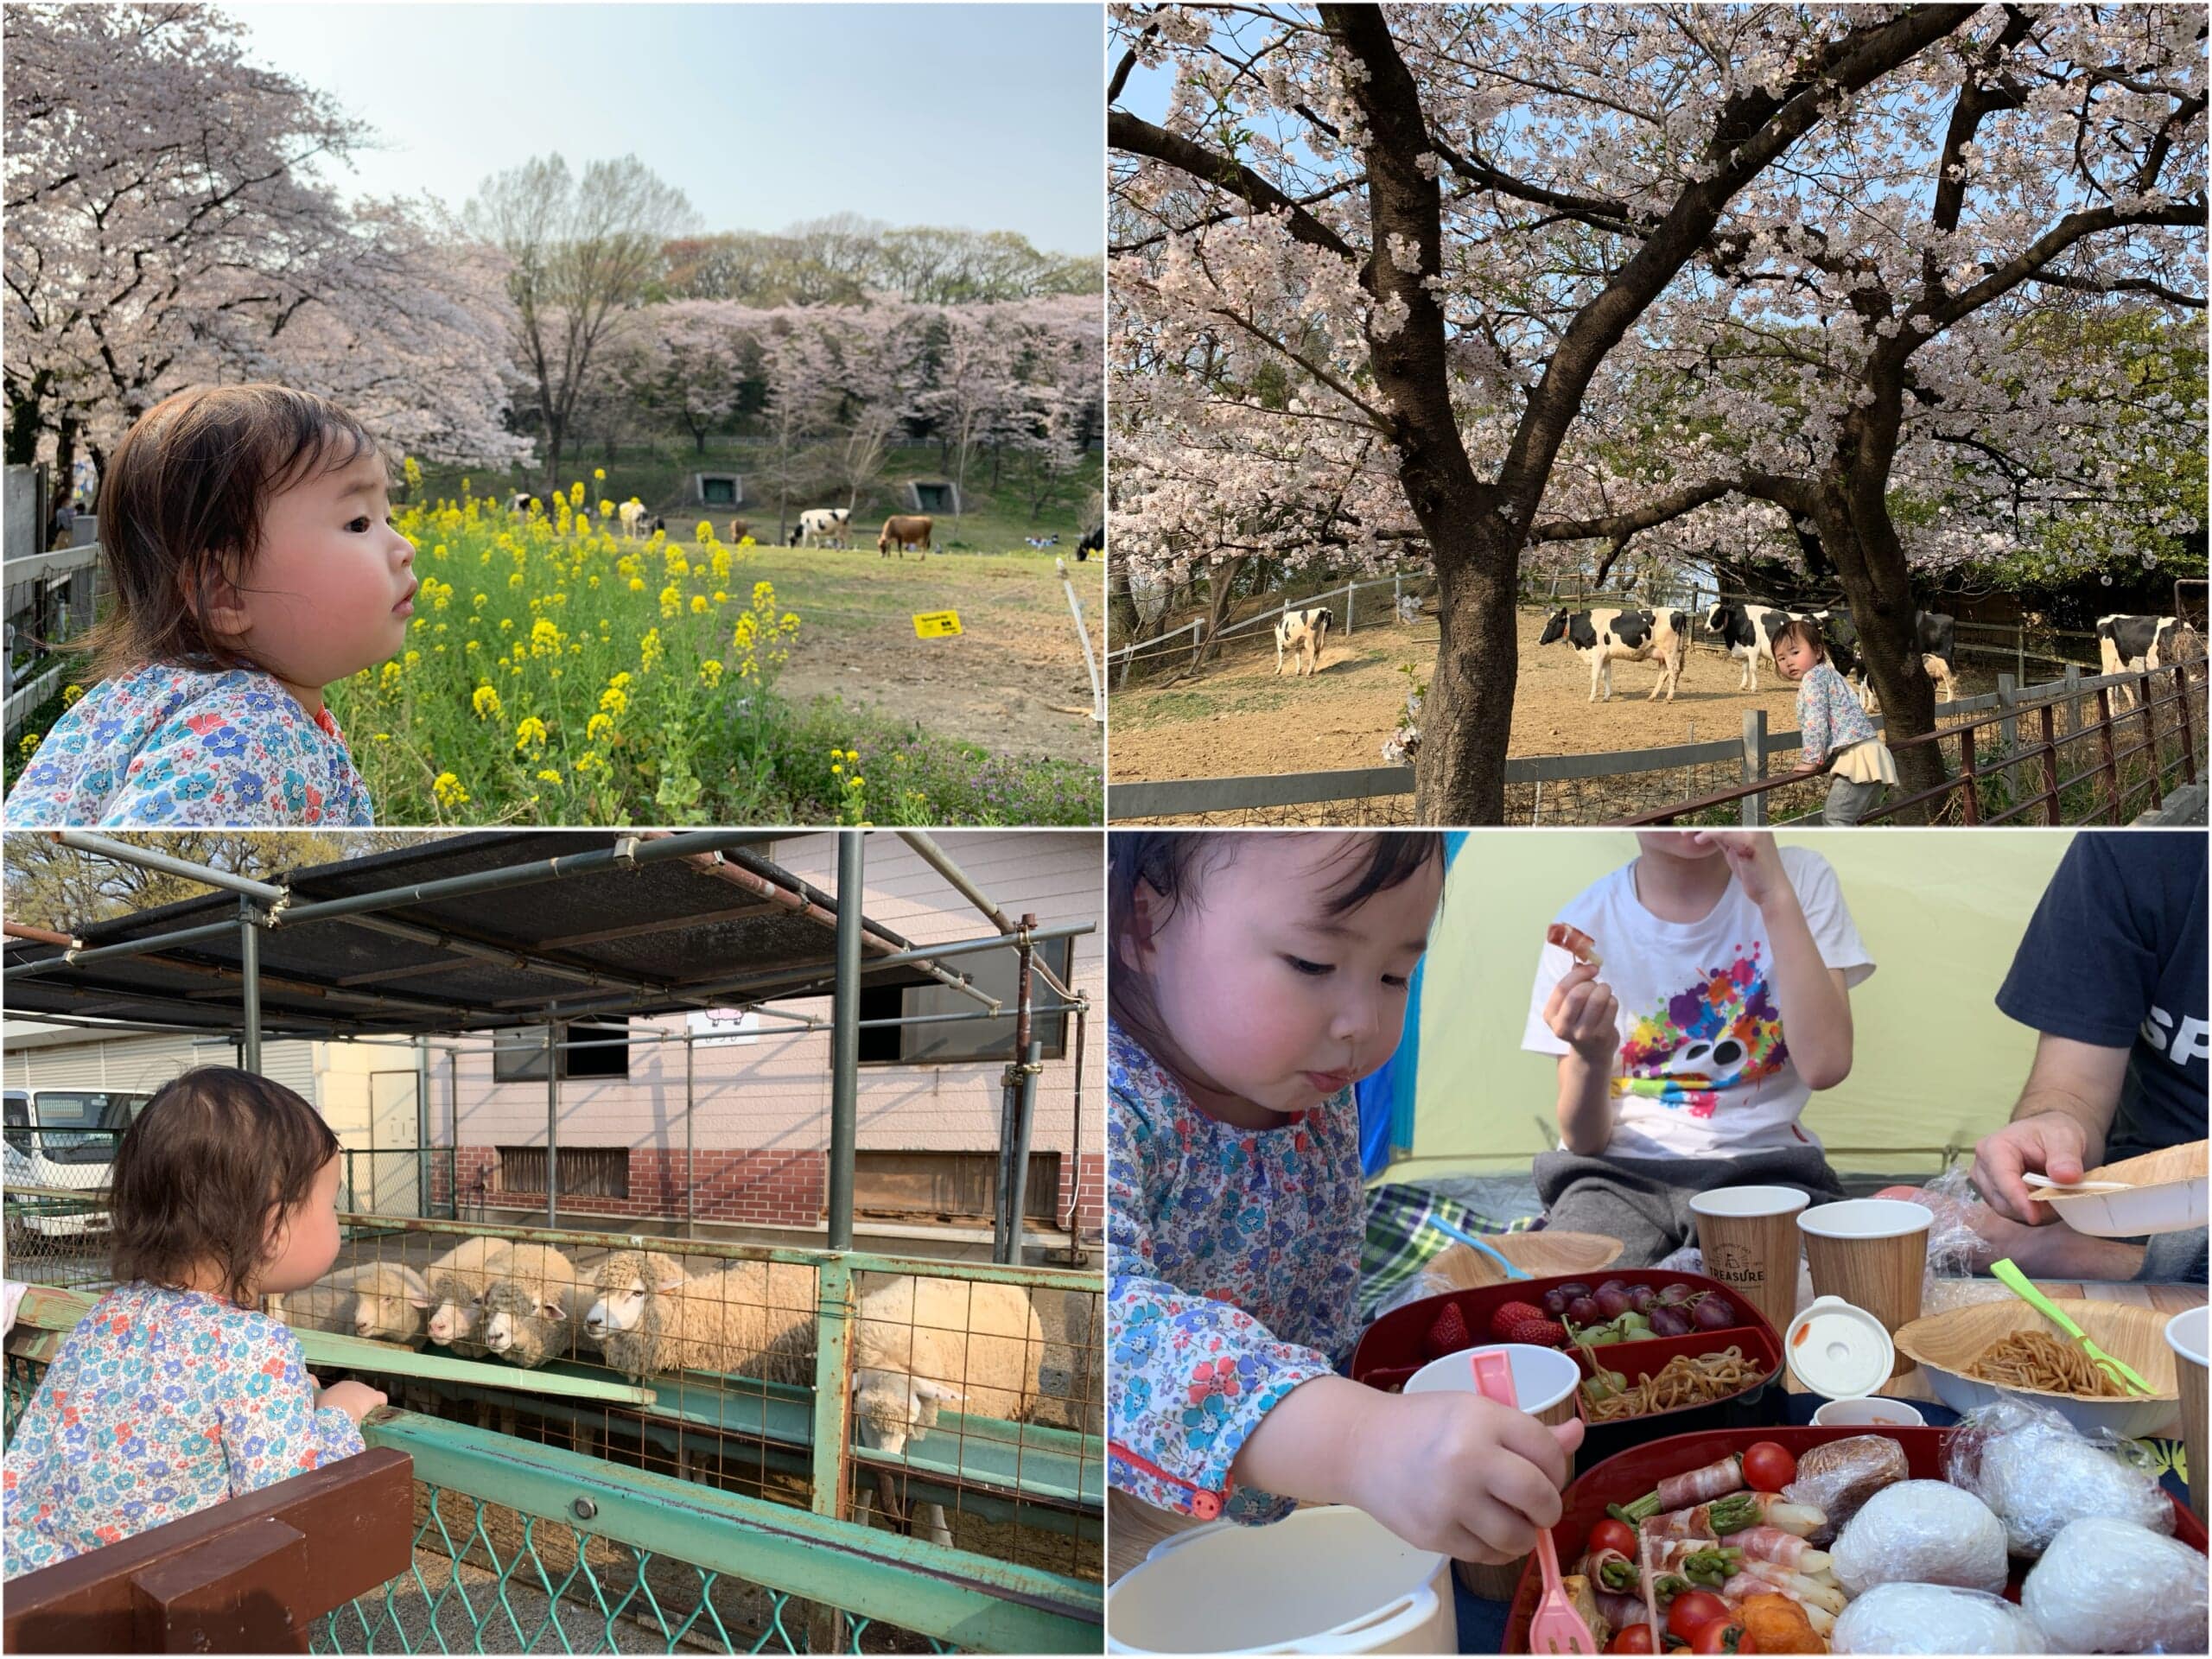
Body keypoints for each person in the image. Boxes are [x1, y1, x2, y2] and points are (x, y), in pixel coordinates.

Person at [1108, 832, 1582, 1573]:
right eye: (1313, 964)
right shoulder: (1117, 1102)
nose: (1362, 1022)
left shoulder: (1307, 1077)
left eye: (1396, 975)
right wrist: (1360, 1440)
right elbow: (1114, 1326)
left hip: (1307, 1496)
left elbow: (1326, 1279)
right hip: (1146, 1522)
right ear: (1144, 925)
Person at [3, 1069, 385, 1577]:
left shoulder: (108, 1315)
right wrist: (339, 1413)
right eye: (331, 1203)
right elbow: (289, 1494)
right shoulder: (253, 1347)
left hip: (31, 1581)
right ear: (272, 1229)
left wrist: (288, 1397)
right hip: (144, 1608)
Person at [4, 385, 414, 827]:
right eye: (358, 523)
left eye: (386, 519)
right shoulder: (251, 739)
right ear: (224, 591)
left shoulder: (124, 700)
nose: (404, 547)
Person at [1524, 830, 1872, 1266]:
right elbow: (1585, 1139)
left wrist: (1774, 898)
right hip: (1616, 1177)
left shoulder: (1798, 879)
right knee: (1577, 1301)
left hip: (1764, 1169)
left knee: (1800, 1298)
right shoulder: (1583, 922)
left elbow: (1826, 1066)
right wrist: (1591, 1056)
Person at [1923, 832, 2207, 1283]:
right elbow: (2072, 1089)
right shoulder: (2135, 850)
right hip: (2148, 1205)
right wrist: (2053, 1131)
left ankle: (2094, 1256)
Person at [1773, 616, 1897, 825]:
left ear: (1818, 651)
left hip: (1857, 757)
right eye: (1781, 658)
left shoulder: (1813, 678)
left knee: (1835, 819)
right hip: (1867, 752)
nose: (1789, 662)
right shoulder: (1830, 674)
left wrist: (1811, 760)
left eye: (1795, 652)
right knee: (1849, 820)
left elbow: (1816, 721)